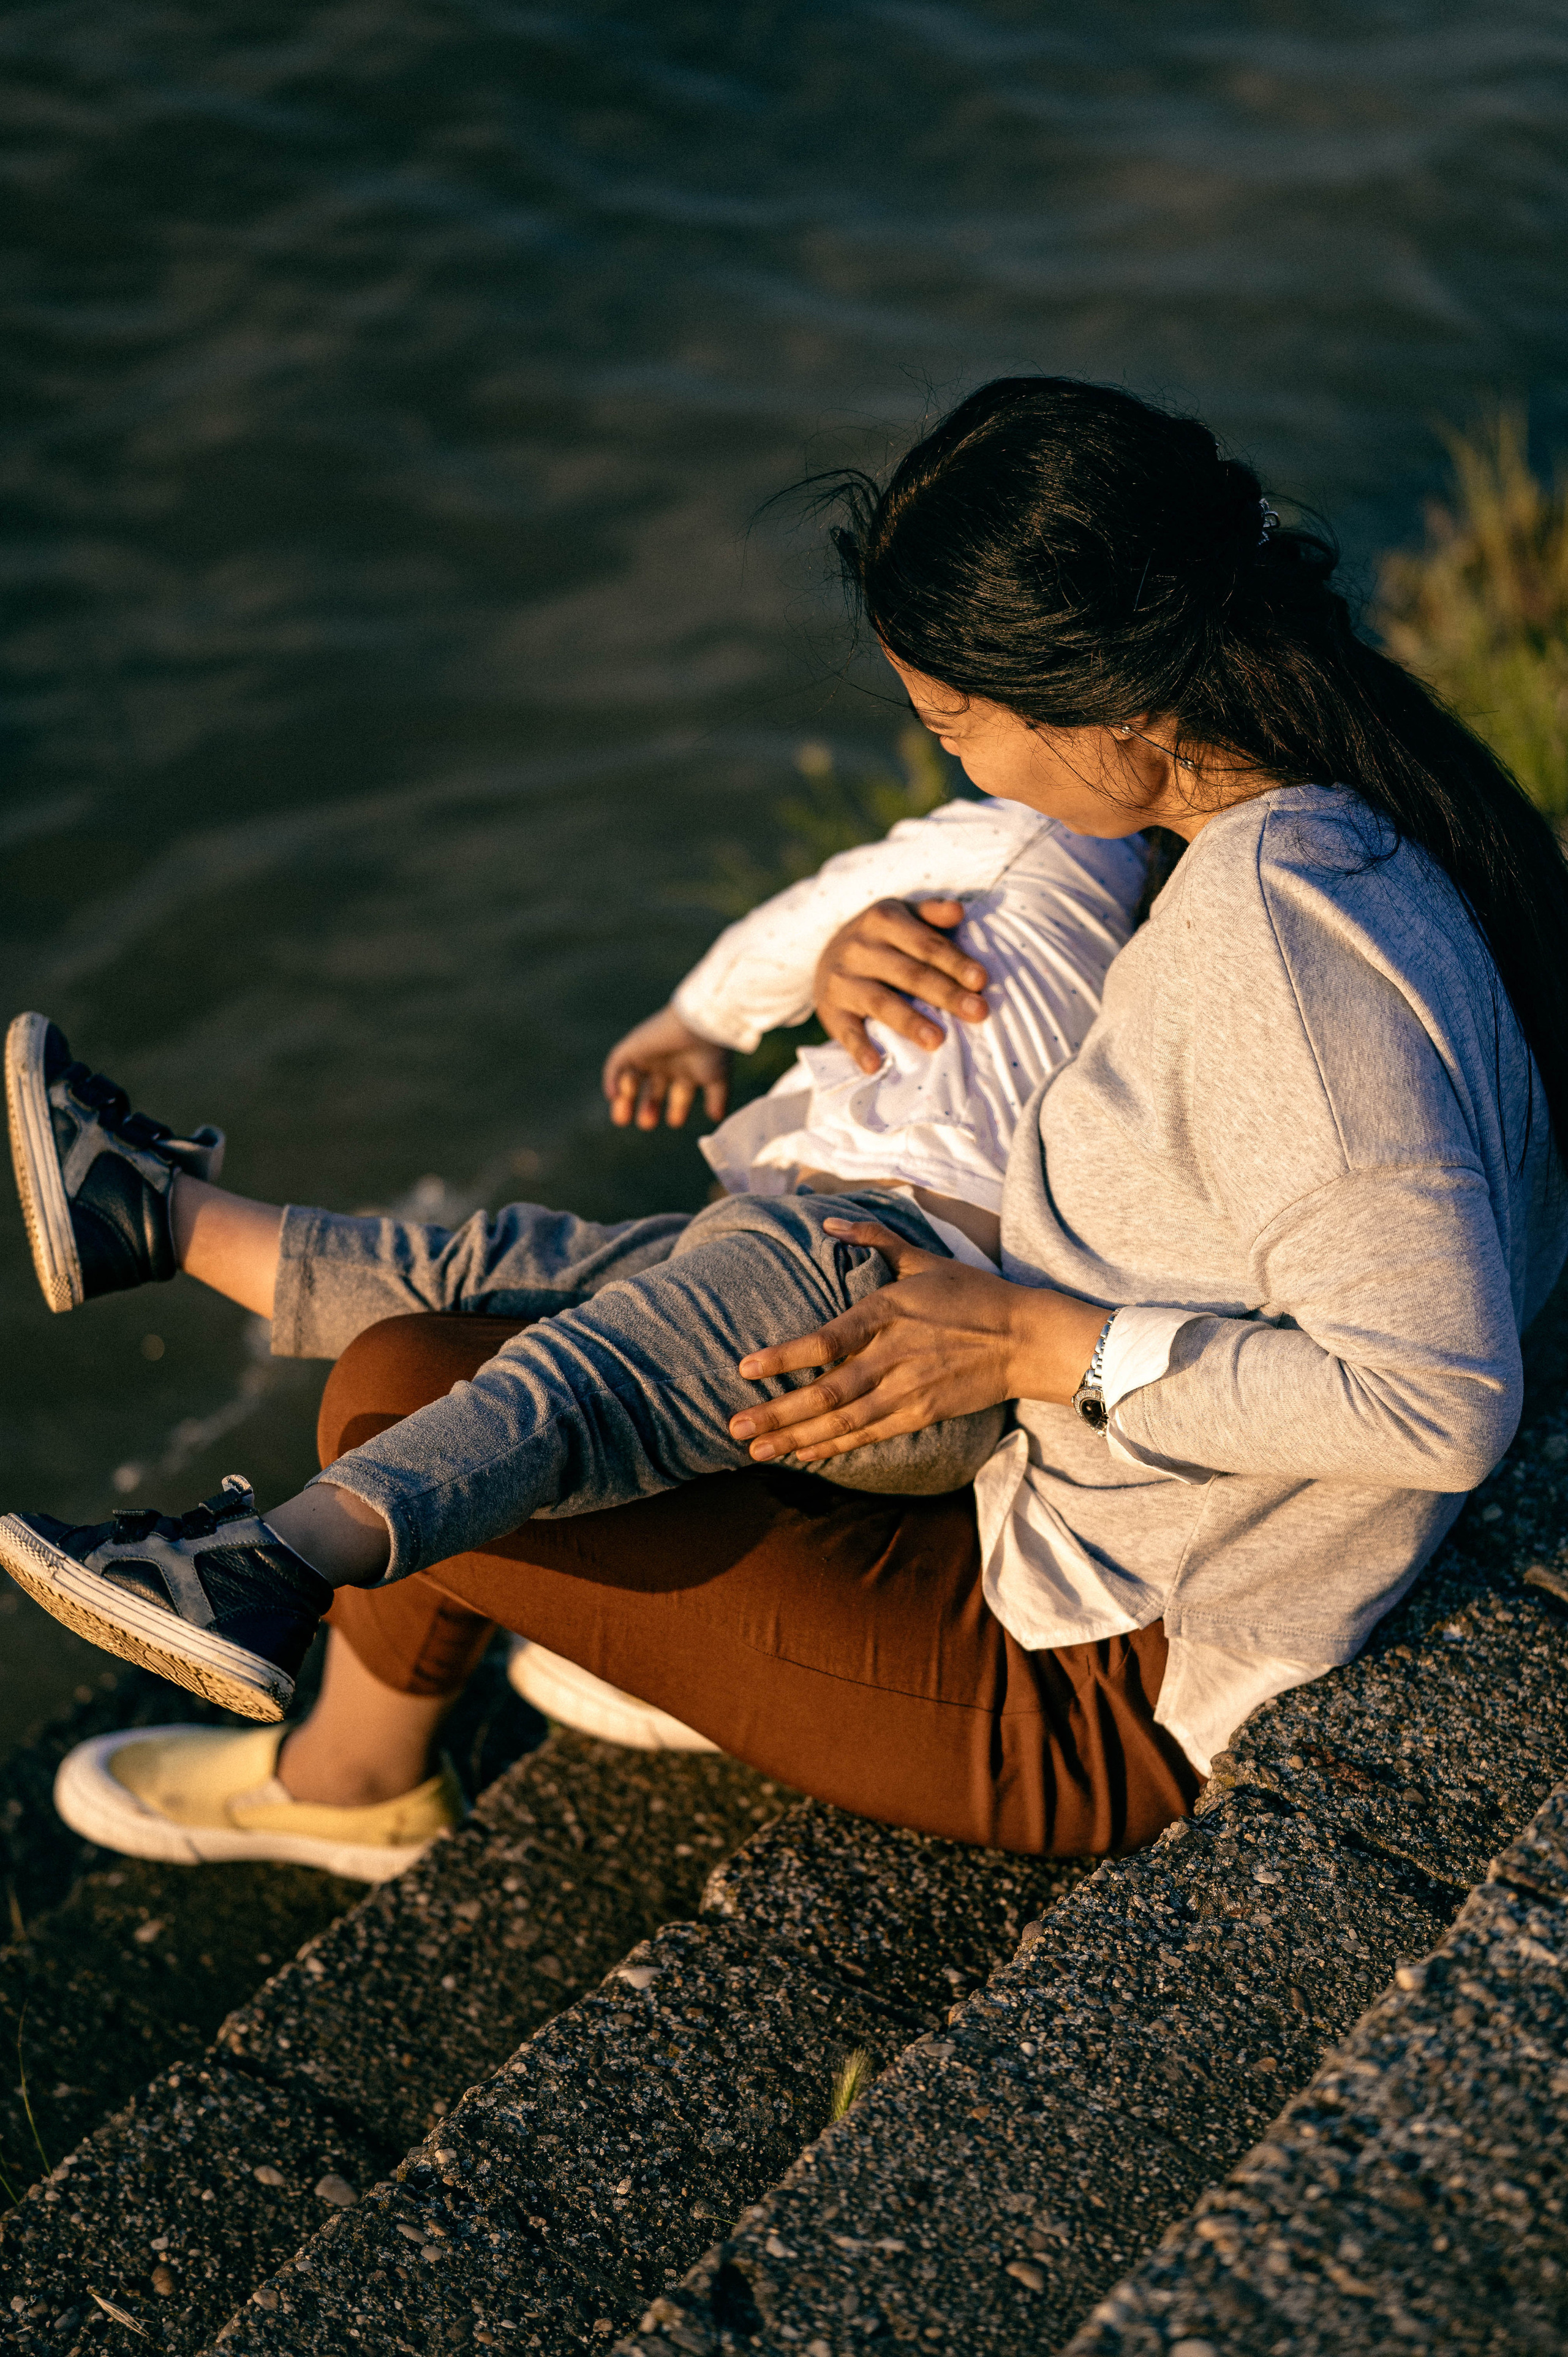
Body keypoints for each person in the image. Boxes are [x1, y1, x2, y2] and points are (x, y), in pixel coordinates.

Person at [9, 374, 1567, 1887]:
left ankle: (305, 1669)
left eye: (958, 723)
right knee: (538, 1309)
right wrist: (854, 985)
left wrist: (1044, 1345)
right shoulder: (1324, 815)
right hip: (1058, 1493)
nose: (953, 760)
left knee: (401, 1393)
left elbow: (1434, 1398)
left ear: (1105, 700)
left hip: (1105, 1677)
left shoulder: (1278, 939)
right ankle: (226, 1374)